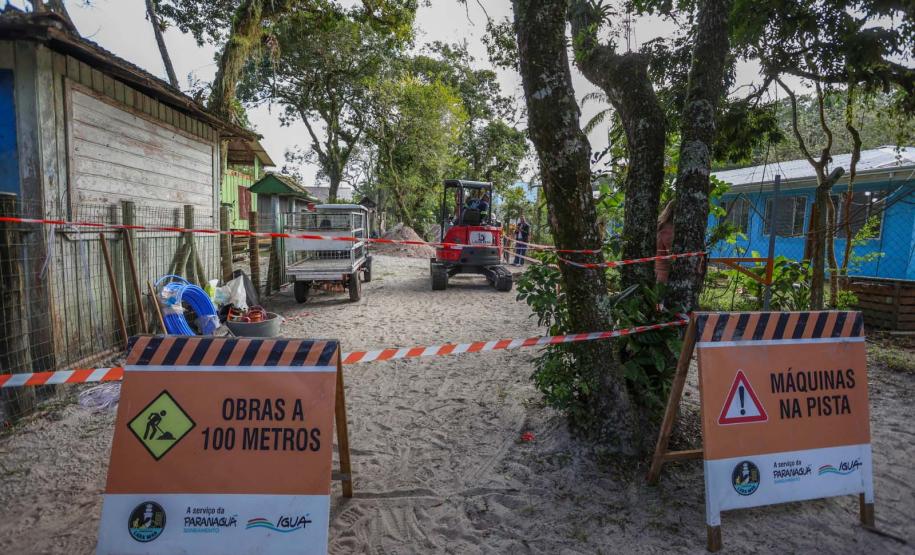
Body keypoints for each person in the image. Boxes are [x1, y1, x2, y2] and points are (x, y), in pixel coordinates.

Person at [656, 201, 675, 283]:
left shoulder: (661, 225)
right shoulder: (668, 229)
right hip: (664, 275)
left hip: (658, 271)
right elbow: (672, 254)